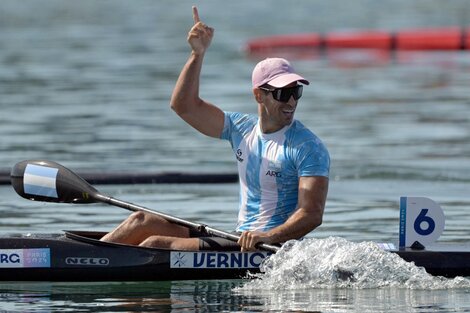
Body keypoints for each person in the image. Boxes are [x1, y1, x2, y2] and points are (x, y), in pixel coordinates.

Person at [100, 6, 329, 251]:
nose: (292, 101)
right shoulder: (241, 128)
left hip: (271, 247)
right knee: (140, 221)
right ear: (258, 96)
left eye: (296, 92)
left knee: (156, 244)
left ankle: (88, 266)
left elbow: (311, 213)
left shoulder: (308, 147)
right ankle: (85, 257)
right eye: (283, 93)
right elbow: (184, 106)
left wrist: (267, 236)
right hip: (240, 238)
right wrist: (197, 55)